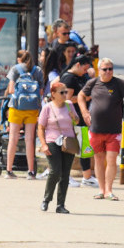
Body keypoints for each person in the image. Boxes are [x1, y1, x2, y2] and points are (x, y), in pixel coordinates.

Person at [78, 58, 124, 200]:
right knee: (99, 160)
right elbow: (81, 95)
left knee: (111, 160)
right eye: (105, 69)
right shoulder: (93, 83)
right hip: (95, 129)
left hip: (114, 131)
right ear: (99, 70)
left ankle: (109, 191)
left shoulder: (119, 83)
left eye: (110, 69)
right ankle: (101, 189)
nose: (108, 72)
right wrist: (84, 112)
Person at [38, 80, 79, 213]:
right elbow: (41, 127)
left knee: (65, 174)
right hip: (52, 141)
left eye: (66, 92)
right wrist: (43, 144)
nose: (65, 94)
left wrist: (74, 117)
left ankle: (60, 204)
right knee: (55, 171)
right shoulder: (47, 108)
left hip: (69, 142)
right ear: (53, 94)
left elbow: (77, 120)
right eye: (62, 92)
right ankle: (46, 199)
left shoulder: (69, 105)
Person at [59, 55, 98, 188]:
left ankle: (87, 176)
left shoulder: (81, 77)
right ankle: (65, 176)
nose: (85, 72)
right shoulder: (69, 78)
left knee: (85, 147)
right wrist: (84, 98)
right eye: (84, 68)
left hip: (82, 118)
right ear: (77, 65)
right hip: (72, 118)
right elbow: (67, 99)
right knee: (69, 147)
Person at [4, 50, 45, 179]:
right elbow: (41, 91)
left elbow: (11, 89)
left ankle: (9, 170)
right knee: (29, 139)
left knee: (13, 139)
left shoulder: (15, 69)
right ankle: (30, 171)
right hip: (32, 109)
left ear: (19, 59)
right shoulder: (37, 70)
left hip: (16, 107)